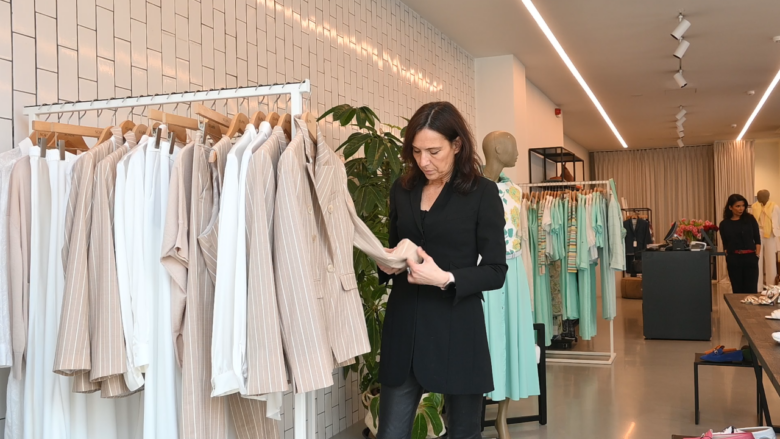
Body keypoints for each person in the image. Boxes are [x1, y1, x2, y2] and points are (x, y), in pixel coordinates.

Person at [375, 101, 507, 439]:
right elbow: (397, 248)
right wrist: (387, 262)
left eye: (434, 151)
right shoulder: (402, 190)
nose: (424, 162)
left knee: (464, 432)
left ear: (457, 145)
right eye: (417, 151)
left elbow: (496, 270)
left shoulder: (482, 193)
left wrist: (446, 278)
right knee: (390, 433)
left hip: (457, 330)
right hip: (404, 331)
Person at [719, 193, 762, 294]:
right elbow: (725, 243)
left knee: (751, 289)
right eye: (737, 206)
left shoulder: (750, 219)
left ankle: (751, 306)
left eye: (743, 206)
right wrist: (729, 256)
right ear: (730, 207)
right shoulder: (724, 224)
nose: (741, 209)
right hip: (734, 259)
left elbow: (757, 238)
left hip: (750, 258)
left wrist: (757, 254)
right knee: (737, 289)